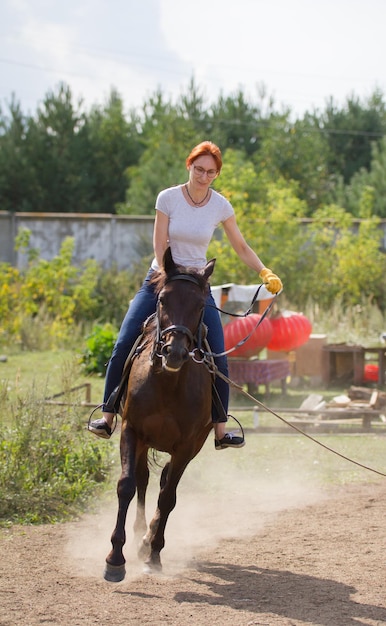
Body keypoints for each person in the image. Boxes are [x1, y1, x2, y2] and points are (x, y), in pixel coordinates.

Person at [88, 141, 282, 449]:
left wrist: (264, 272)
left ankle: (220, 430)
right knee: (124, 341)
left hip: (196, 284)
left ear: (216, 175)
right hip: (161, 278)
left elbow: (241, 247)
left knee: (218, 353)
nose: (203, 176)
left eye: (210, 172)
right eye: (199, 169)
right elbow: (159, 243)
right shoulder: (168, 198)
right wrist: (169, 274)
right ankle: (108, 415)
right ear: (189, 166)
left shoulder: (221, 206)